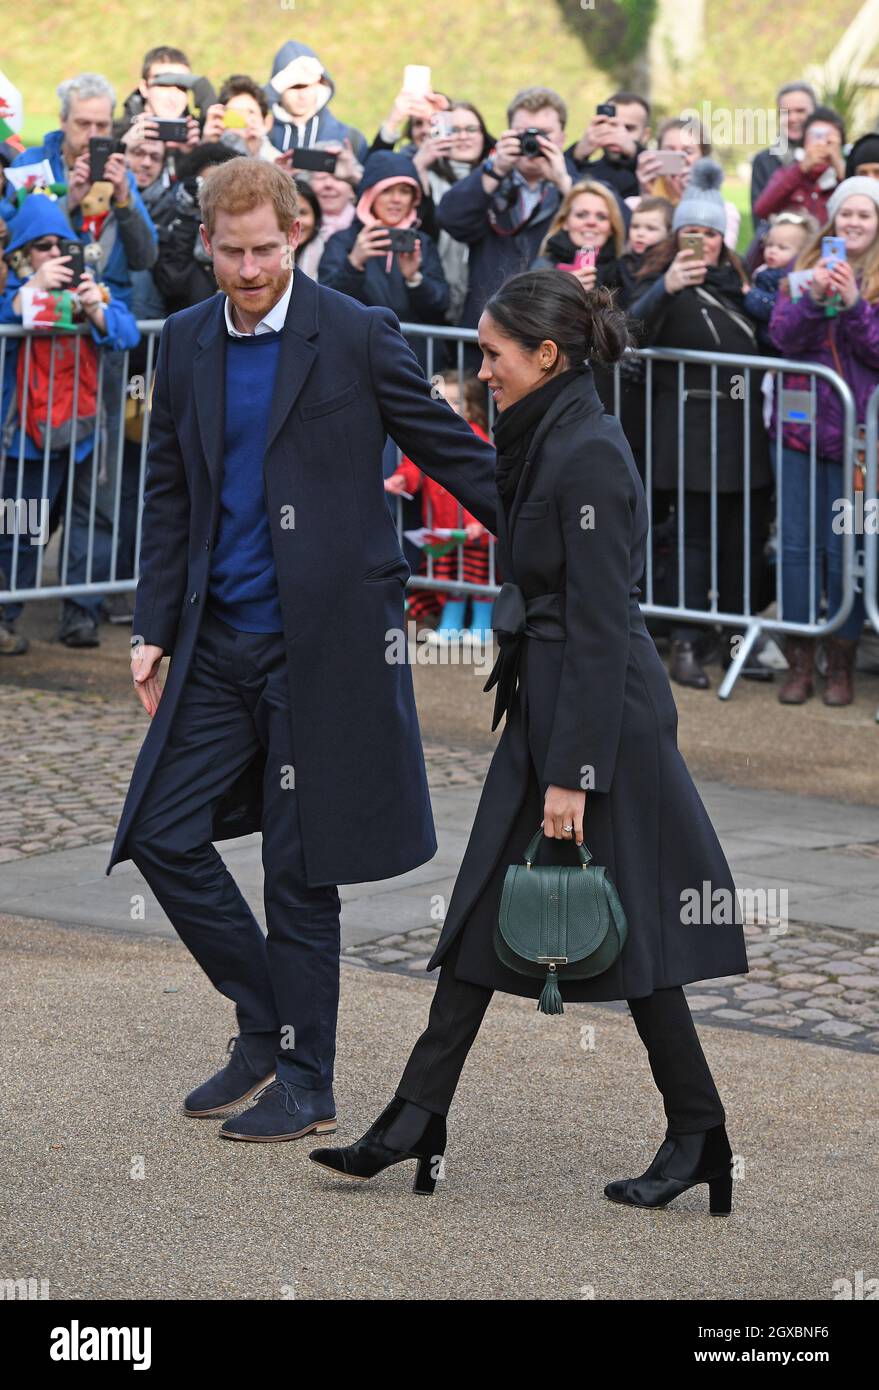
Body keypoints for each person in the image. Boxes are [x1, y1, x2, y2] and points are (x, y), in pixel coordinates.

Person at [309, 269, 744, 1214]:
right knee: (477, 918)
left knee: (638, 935)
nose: (482, 371)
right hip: (554, 708)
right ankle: (417, 1114)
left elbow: (597, 619)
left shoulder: (585, 450)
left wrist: (572, 775)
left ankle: (698, 1132)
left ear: (544, 356)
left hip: (598, 725)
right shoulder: (549, 428)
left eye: (492, 355)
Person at [105, 157, 499, 1144]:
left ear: (299, 233)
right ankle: (264, 1015)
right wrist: (153, 625)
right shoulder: (187, 337)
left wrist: (563, 524)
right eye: (231, 252)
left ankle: (306, 1076)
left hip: (323, 647)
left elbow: (445, 449)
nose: (247, 270)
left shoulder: (356, 333)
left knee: (300, 866)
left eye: (266, 251)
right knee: (160, 830)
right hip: (216, 638)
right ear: (208, 242)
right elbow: (168, 492)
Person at [626, 160, 773, 690]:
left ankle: (736, 640)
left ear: (722, 239)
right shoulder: (653, 279)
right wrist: (665, 286)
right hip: (685, 430)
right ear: (676, 236)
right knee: (690, 539)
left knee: (742, 538)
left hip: (742, 427)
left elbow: (772, 337)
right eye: (691, 232)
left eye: (709, 234)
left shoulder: (740, 284)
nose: (701, 242)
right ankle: (685, 642)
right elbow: (627, 335)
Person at [0, 194, 139, 649]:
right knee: (21, 523)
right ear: (22, 252)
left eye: (63, 244)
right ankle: (6, 613)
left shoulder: (90, 286)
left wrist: (95, 308)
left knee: (91, 521)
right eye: (42, 246)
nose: (55, 254)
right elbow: (7, 314)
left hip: (83, 431)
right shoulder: (13, 292)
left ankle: (80, 614)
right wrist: (32, 287)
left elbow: (128, 332)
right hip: (26, 435)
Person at [768, 177, 879, 705]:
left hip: (862, 443)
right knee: (795, 548)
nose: (854, 222)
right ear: (833, 219)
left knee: (848, 549)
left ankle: (842, 662)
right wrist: (813, 298)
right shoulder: (801, 272)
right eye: (847, 213)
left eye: (866, 214)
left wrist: (856, 303)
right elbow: (783, 339)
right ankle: (800, 659)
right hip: (799, 433)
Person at [435, 86, 591, 335]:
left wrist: (565, 184)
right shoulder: (490, 182)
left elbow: (614, 231)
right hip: (487, 331)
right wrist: (494, 171)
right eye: (524, 133)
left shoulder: (579, 188)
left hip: (549, 332)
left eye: (544, 134)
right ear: (507, 135)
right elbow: (450, 218)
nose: (533, 142)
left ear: (562, 138)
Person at [318, 151, 449, 373]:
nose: (397, 199)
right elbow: (326, 302)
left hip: (416, 362)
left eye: (405, 191)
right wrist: (354, 263)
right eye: (387, 190)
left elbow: (440, 306)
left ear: (414, 199)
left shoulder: (422, 243)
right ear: (370, 195)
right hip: (357, 359)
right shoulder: (344, 241)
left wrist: (414, 279)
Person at [631, 116, 740, 252]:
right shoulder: (633, 205)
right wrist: (647, 198)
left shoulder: (724, 212)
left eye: (687, 152)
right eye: (670, 150)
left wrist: (689, 200)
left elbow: (717, 256)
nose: (679, 157)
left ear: (703, 158)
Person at [263, 41, 367, 160]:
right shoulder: (263, 134)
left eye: (307, 86)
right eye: (294, 86)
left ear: (320, 84)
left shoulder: (349, 138)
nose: (302, 95)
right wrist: (271, 89)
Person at [753, 106, 846, 231]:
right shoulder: (789, 172)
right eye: (816, 136)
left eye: (829, 138)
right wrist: (801, 169)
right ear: (804, 140)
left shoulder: (844, 177)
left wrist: (840, 169)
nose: (821, 144)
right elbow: (762, 209)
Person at [566, 91, 651, 198]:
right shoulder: (584, 172)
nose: (619, 134)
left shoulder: (654, 176)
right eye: (612, 125)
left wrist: (635, 151)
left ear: (646, 135)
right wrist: (577, 154)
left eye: (628, 128)